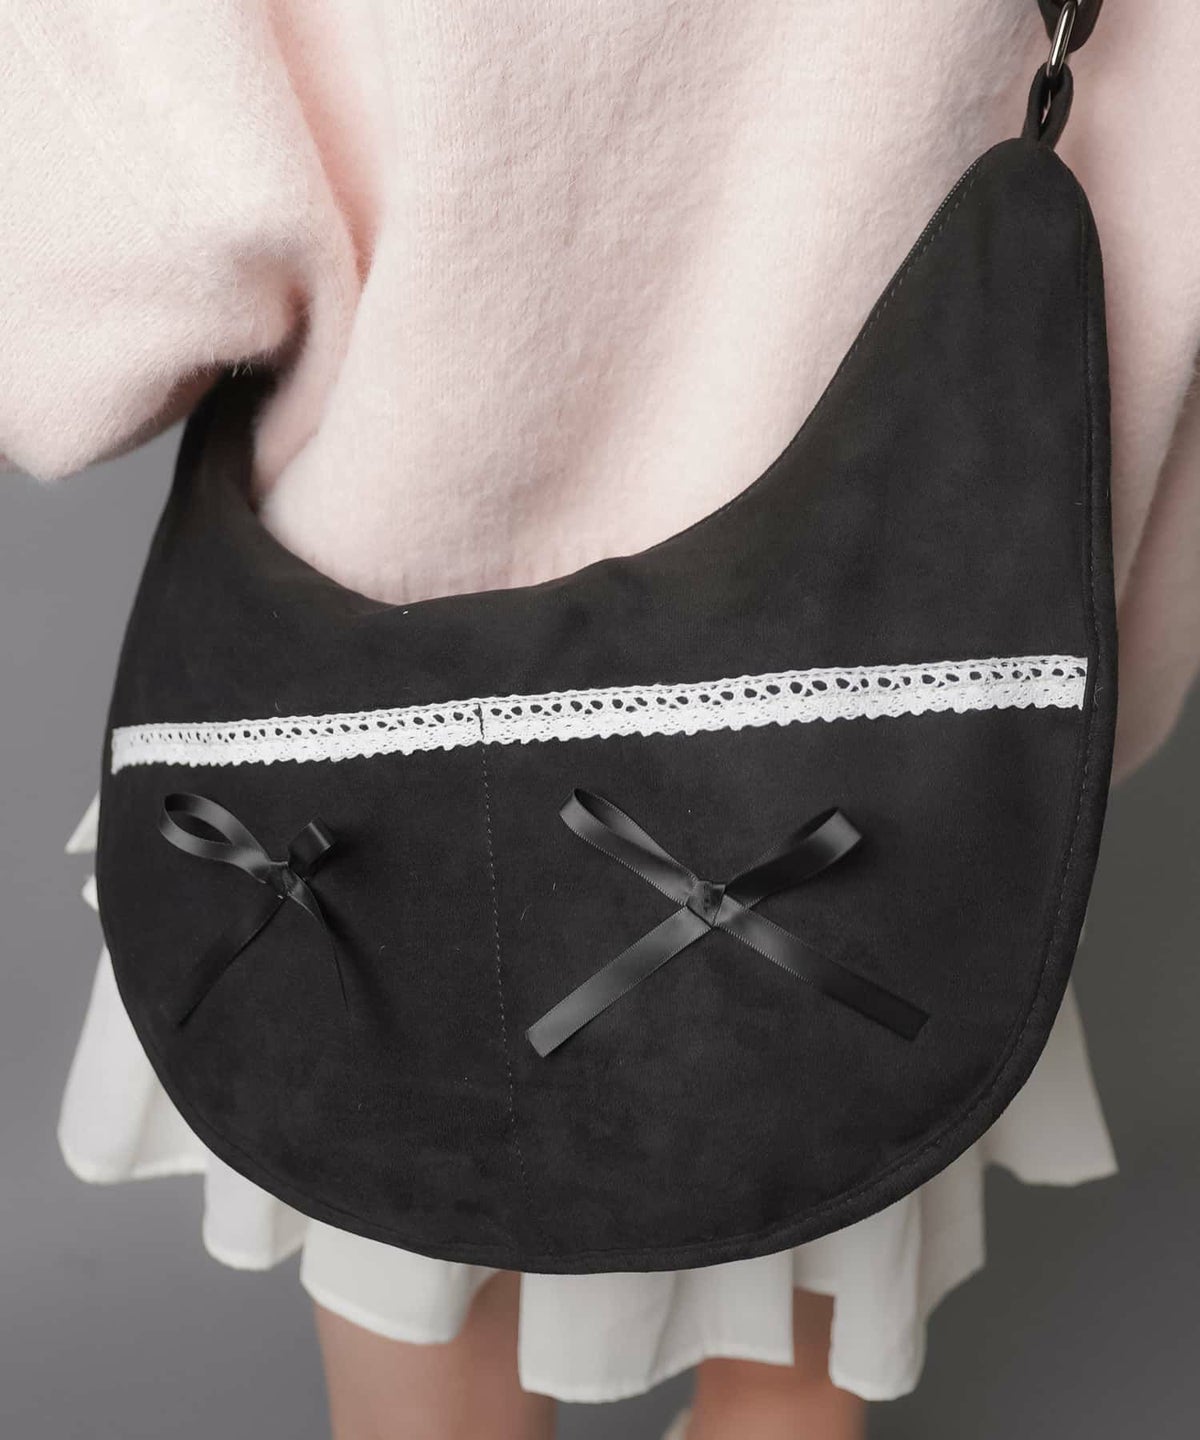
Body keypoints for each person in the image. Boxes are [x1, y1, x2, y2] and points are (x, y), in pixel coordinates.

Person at [4, 4, 1198, 1438]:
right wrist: (1076, 746)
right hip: (868, 786)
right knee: (794, 1371)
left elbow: (83, 337)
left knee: (419, 1323)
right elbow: (1151, 241)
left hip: (355, 776)